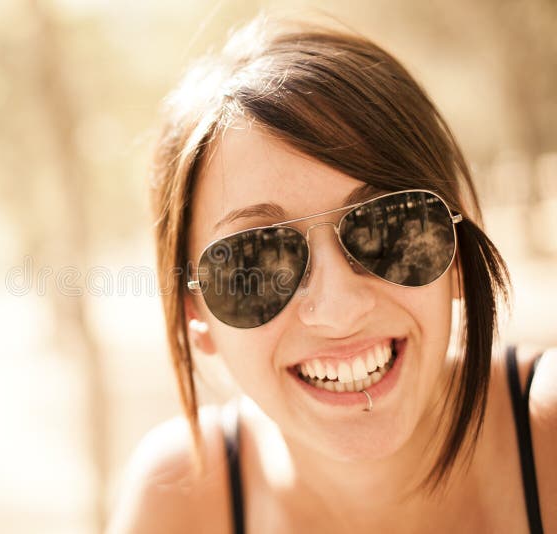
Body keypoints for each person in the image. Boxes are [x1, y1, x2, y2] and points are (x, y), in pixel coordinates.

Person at [107, 15, 555, 534]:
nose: (340, 308)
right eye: (257, 258)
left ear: (455, 243)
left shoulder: (550, 435)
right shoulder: (180, 500)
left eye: (389, 226)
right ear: (195, 314)